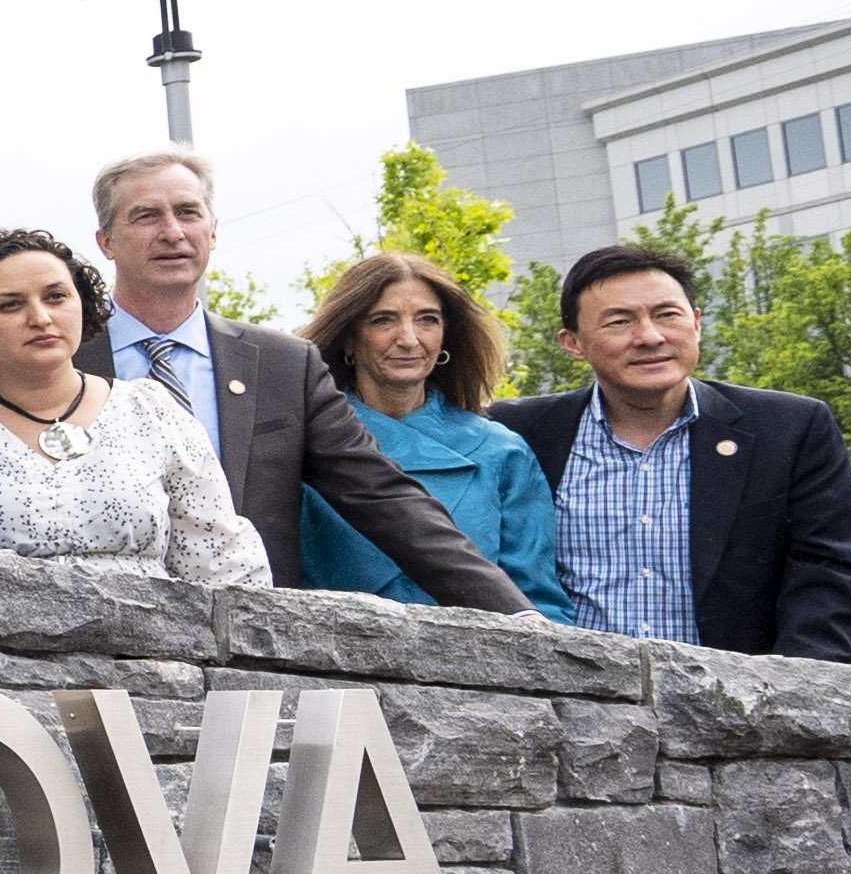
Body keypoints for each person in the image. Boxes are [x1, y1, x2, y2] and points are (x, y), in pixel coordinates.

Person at [85, 150, 524, 610]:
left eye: (188, 213)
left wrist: (516, 612)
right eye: (147, 216)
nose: (173, 232)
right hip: (100, 627)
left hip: (252, 637)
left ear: (212, 231)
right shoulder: (57, 362)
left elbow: (382, 497)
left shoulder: (283, 366)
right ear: (106, 241)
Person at [493, 244, 851, 659]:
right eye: (619, 322)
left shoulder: (789, 429)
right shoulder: (516, 433)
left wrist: (800, 691)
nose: (650, 337)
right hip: (569, 697)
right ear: (573, 343)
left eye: (667, 315)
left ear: (696, 323)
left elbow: (829, 571)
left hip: (739, 700)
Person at [0, 223, 270, 586]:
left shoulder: (152, 412)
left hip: (149, 653)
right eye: (10, 305)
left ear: (81, 306)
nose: (40, 317)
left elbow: (224, 566)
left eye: (56, 297)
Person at [293, 251, 582, 625]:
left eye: (427, 320)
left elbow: (538, 601)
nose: (409, 339)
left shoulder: (501, 450)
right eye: (383, 320)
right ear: (349, 338)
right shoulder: (300, 443)